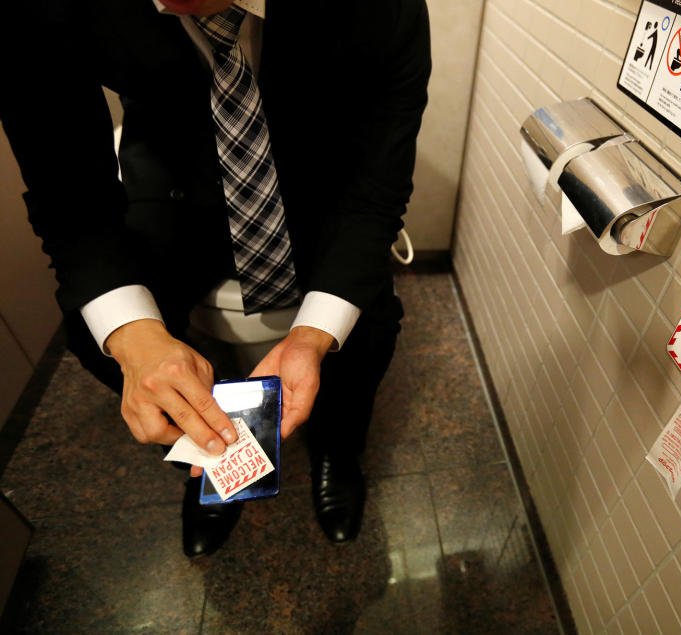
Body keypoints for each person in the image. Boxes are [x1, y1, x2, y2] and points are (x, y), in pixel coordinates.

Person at [1, 0, 431, 556]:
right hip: (172, 167)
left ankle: (338, 448)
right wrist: (133, 335)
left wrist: (312, 334)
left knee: (365, 330)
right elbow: (70, 193)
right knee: (99, 335)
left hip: (322, 178)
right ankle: (206, 460)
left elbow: (376, 182)